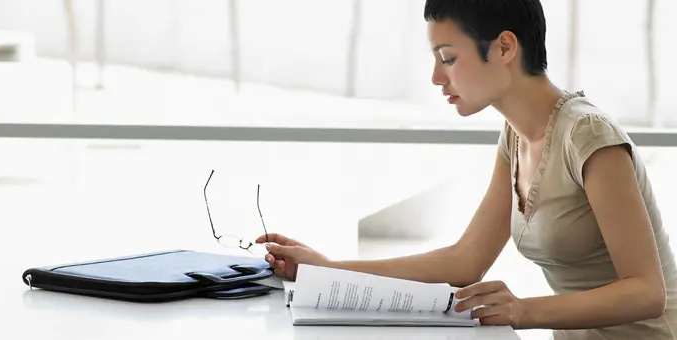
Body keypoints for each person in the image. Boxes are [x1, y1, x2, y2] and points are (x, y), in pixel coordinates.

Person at [256, 0, 677, 339]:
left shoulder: (588, 136)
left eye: (449, 58)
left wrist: (523, 310)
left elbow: (646, 293)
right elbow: (464, 261)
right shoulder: (515, 136)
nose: (437, 77)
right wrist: (325, 268)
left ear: (505, 48)